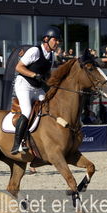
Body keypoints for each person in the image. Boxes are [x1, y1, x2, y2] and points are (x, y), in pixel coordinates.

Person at [11, 26, 61, 155]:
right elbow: (19, 67)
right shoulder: (35, 51)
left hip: (37, 88)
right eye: (55, 40)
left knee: (51, 106)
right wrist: (33, 75)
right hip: (24, 85)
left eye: (58, 41)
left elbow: (47, 73)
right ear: (46, 39)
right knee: (27, 111)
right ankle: (17, 143)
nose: (57, 43)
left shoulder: (51, 55)